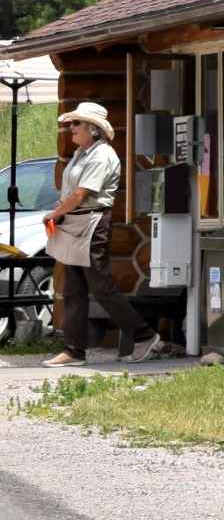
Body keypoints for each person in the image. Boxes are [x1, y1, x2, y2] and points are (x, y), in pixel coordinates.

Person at [41, 102, 157, 366]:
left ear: (92, 129)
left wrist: (55, 214)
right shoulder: (82, 154)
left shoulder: (102, 155)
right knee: (73, 288)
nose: (70, 128)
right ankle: (73, 351)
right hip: (74, 223)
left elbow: (82, 194)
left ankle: (144, 335)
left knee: (100, 286)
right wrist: (60, 210)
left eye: (76, 123)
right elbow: (72, 193)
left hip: (92, 224)